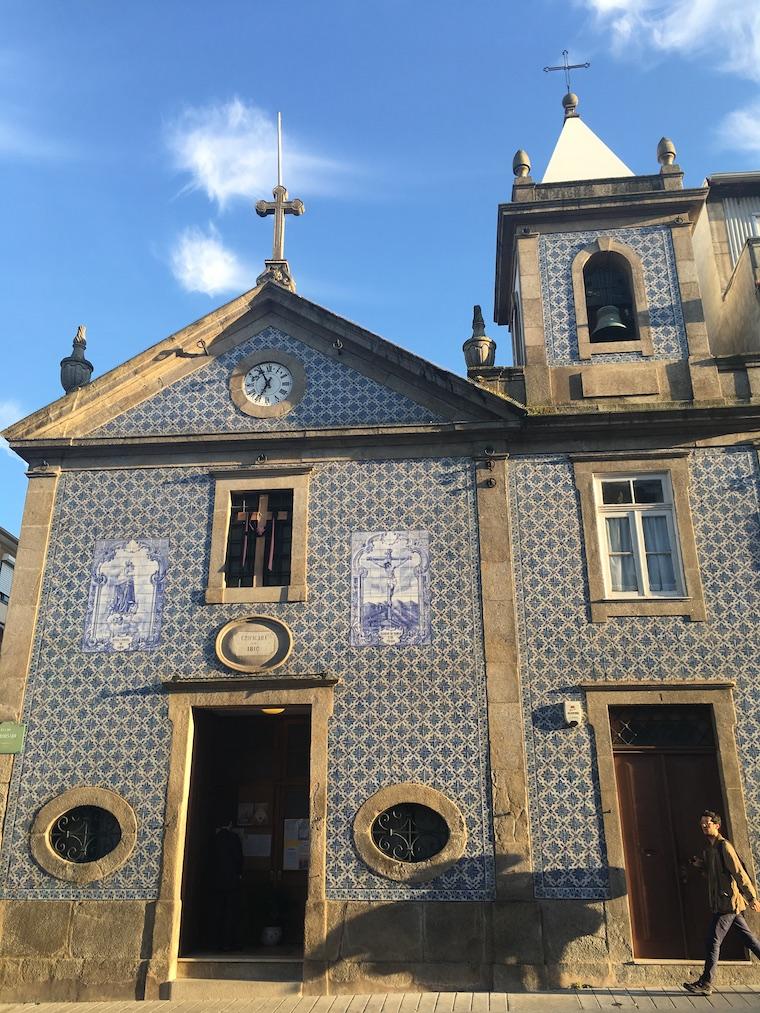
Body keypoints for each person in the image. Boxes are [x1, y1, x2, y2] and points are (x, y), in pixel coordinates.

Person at [683, 810, 760, 995]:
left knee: (712, 941)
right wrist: (700, 864)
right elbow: (712, 873)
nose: (704, 826)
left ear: (717, 826)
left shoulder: (724, 847)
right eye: (702, 823)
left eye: (707, 823)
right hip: (720, 902)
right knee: (749, 940)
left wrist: (752, 898)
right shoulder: (709, 850)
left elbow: (739, 872)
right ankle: (705, 983)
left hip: (727, 903)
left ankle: (706, 983)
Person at [210, 821, 243, 951]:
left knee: (216, 912)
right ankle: (228, 943)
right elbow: (239, 858)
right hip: (231, 882)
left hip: (215, 882)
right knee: (230, 913)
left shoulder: (214, 839)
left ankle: (214, 943)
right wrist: (239, 874)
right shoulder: (233, 839)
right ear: (230, 824)